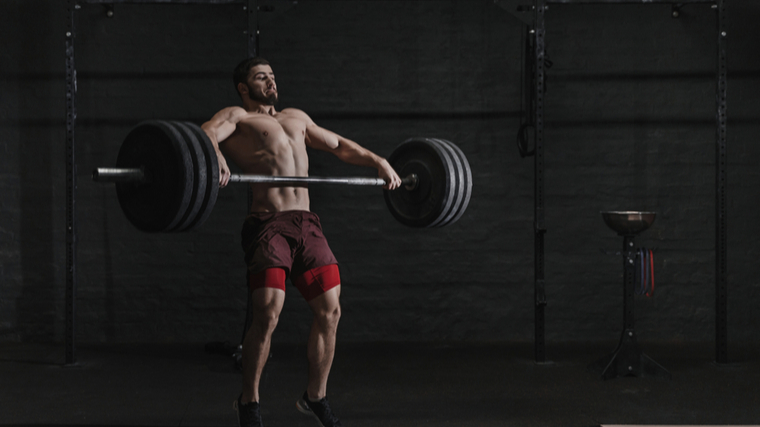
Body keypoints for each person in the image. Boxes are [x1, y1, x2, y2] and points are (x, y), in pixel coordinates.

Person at [201, 57, 401, 427]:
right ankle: (249, 401)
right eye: (261, 77)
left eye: (273, 76)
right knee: (267, 311)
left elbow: (339, 144)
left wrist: (379, 161)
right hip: (267, 224)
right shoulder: (239, 117)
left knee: (331, 309)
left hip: (307, 224)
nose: (270, 82)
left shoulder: (297, 117)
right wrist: (215, 157)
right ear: (244, 88)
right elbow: (206, 133)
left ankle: (315, 396)